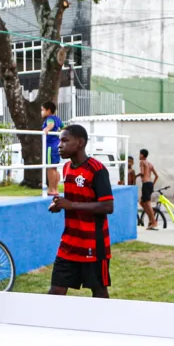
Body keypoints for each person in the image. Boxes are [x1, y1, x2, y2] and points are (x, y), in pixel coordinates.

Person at [49, 124, 114, 297]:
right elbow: (74, 199)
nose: (59, 145)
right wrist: (59, 205)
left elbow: (108, 206)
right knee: (55, 291)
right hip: (69, 243)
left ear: (80, 143)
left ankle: (103, 324)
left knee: (99, 291)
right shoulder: (66, 168)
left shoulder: (97, 170)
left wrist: (71, 205)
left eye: (65, 140)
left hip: (94, 243)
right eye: (59, 141)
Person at [42, 101, 63, 195]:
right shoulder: (57, 119)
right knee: (54, 168)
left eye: (42, 110)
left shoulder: (50, 118)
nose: (41, 112)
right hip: (57, 145)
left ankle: (51, 189)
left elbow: (51, 125)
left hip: (50, 146)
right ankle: (56, 189)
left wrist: (46, 129)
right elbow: (64, 127)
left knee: (50, 168)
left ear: (48, 110)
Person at [139, 148, 159, 229]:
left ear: (142, 155)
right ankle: (151, 218)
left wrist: (136, 176)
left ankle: (154, 222)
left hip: (146, 184)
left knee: (147, 203)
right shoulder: (150, 164)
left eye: (140, 154)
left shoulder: (142, 162)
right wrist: (152, 184)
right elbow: (157, 176)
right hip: (150, 183)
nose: (139, 156)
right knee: (141, 202)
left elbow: (142, 173)